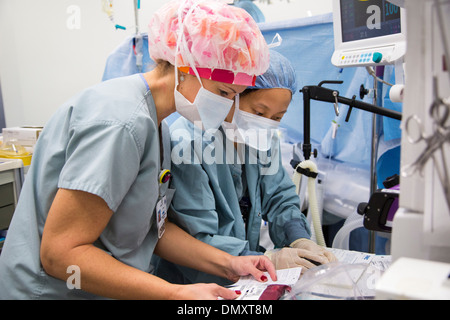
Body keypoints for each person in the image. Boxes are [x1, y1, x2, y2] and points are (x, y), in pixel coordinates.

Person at [0, 0, 277, 300]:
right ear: (185, 65)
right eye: (223, 93)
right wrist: (175, 294)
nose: (228, 109)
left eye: (235, 97)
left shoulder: (158, 128)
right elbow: (60, 254)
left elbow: (152, 231)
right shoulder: (121, 123)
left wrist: (230, 263)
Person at [154, 50, 337, 285]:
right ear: (233, 96)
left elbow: (279, 197)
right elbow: (196, 236)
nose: (267, 123)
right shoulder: (188, 144)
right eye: (259, 113)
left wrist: (299, 239)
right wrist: (265, 258)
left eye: (278, 117)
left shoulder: (262, 139)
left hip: (245, 274)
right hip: (193, 281)